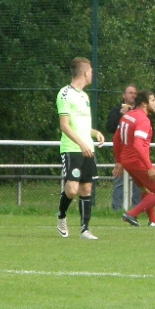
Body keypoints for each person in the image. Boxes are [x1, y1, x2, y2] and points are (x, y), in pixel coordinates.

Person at [56, 57, 105, 240]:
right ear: (85, 72)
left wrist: (95, 133)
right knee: (71, 189)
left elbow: (82, 126)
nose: (92, 74)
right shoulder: (65, 94)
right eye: (91, 71)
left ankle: (85, 230)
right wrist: (81, 144)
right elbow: (64, 126)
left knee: (86, 189)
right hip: (72, 148)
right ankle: (61, 215)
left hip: (87, 149)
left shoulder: (84, 96)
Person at [113, 90, 155, 227]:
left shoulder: (127, 116)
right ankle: (131, 214)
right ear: (144, 104)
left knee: (147, 190)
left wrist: (118, 161)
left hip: (127, 161)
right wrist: (149, 167)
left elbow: (116, 138)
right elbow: (137, 145)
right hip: (138, 161)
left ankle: (153, 221)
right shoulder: (143, 120)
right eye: (153, 100)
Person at [105, 84, 141, 211]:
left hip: (136, 150)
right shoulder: (116, 110)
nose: (133, 95)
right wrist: (121, 116)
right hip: (121, 150)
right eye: (130, 93)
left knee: (138, 181)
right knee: (119, 181)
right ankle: (117, 209)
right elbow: (110, 128)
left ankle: (137, 209)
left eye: (135, 93)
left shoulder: (139, 111)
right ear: (123, 95)